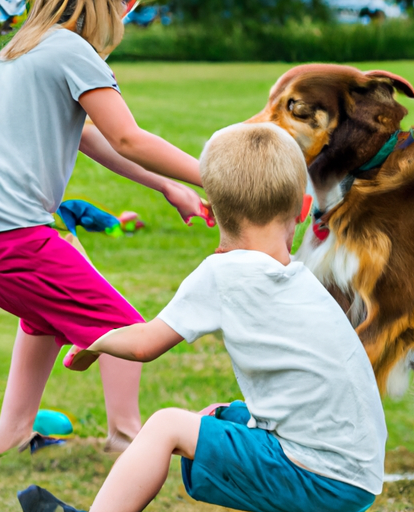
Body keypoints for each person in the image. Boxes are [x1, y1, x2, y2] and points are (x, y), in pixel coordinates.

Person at [25, 122, 387, 512]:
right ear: (302, 208)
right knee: (220, 416)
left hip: (319, 476)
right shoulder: (301, 279)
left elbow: (145, 344)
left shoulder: (223, 274)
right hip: (357, 472)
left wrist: (95, 343)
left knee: (166, 426)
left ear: (212, 211)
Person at [0, 0, 214, 454]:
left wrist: (166, 186)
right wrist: (219, 177)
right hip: (17, 238)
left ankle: (13, 434)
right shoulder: (72, 51)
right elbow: (127, 137)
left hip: (12, 235)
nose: (126, 15)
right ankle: (125, 435)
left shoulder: (21, 49)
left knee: (40, 320)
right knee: (127, 329)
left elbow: (88, 135)